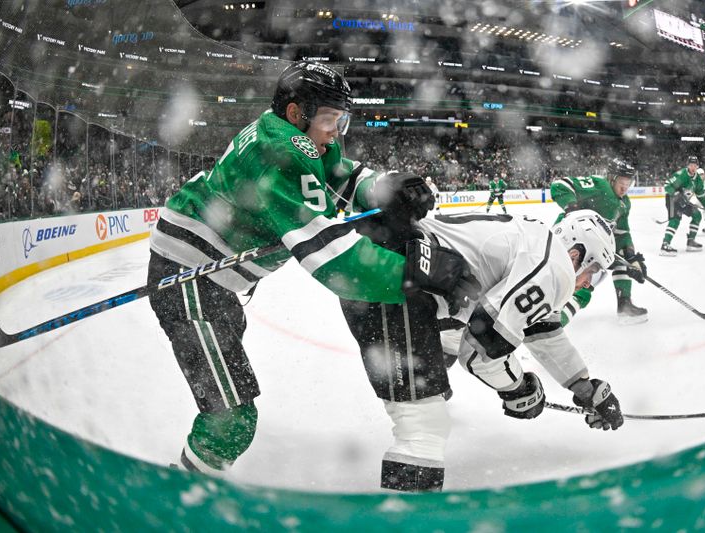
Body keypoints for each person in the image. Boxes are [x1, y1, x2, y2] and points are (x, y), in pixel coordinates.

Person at [147, 62, 476, 475]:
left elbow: (342, 176)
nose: (335, 131)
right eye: (329, 120)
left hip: (215, 283)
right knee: (230, 422)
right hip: (188, 277)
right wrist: (421, 276)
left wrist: (391, 188)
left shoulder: (305, 138)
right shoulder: (284, 151)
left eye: (341, 120)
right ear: (295, 114)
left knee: (231, 409)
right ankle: (179, 497)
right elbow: (338, 262)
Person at [340, 208, 624, 493]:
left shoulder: (537, 242)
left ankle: (430, 378)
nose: (589, 283)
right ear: (575, 254)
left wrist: (584, 387)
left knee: (437, 375)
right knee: (423, 427)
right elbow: (482, 347)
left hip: (383, 262)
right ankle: (403, 517)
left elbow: (541, 329)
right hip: (396, 278)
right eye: (594, 271)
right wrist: (517, 388)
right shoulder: (557, 268)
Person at [550, 159, 648, 325]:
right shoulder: (600, 186)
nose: (625, 187)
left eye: (628, 183)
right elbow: (560, 185)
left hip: (592, 250)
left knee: (603, 270)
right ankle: (548, 315)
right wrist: (572, 208)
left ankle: (624, 305)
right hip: (570, 240)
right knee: (562, 280)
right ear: (611, 178)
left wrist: (631, 256)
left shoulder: (624, 203)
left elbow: (622, 233)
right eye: (621, 182)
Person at [661, 156, 705, 256]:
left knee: (697, 215)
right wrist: (677, 195)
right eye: (691, 165)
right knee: (675, 219)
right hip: (672, 199)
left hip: (684, 201)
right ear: (688, 165)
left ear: (697, 166)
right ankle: (665, 245)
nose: (692, 167)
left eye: (694, 165)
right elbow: (667, 185)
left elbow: (700, 194)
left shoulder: (697, 180)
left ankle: (691, 242)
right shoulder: (682, 175)